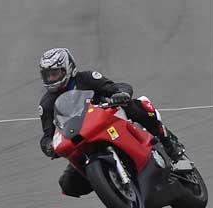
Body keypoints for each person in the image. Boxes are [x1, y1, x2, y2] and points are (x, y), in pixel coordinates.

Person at [36, 47, 184, 197]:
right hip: (80, 138)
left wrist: (121, 93)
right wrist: (49, 146)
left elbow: (115, 87)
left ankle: (170, 145)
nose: (51, 79)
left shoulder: (86, 78)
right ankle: (110, 183)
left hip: (106, 119)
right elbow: (47, 135)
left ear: (68, 68)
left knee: (134, 106)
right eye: (47, 75)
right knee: (67, 184)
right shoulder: (46, 103)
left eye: (55, 73)